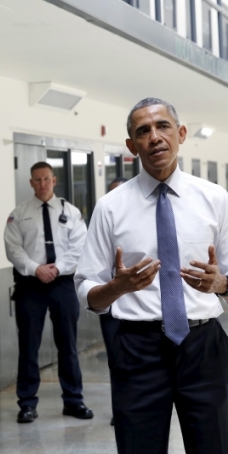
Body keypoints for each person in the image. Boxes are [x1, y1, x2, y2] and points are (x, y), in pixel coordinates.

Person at [75, 98, 228, 453]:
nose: (154, 137)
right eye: (143, 131)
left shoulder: (214, 198)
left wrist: (223, 284)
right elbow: (86, 289)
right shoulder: (111, 207)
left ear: (181, 134)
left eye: (163, 127)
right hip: (137, 351)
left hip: (203, 348)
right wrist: (116, 287)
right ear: (131, 146)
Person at [5, 161, 92, 424]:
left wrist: (57, 269)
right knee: (28, 347)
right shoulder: (18, 215)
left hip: (62, 284)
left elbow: (80, 246)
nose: (42, 184)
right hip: (31, 285)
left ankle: (74, 400)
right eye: (37, 180)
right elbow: (13, 249)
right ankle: (27, 404)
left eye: (46, 179)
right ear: (31, 183)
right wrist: (35, 269)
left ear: (54, 180)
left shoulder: (72, 212)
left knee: (68, 345)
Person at [100, 176, 127, 427]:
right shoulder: (103, 222)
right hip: (111, 304)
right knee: (116, 358)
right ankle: (119, 408)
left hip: (139, 310)